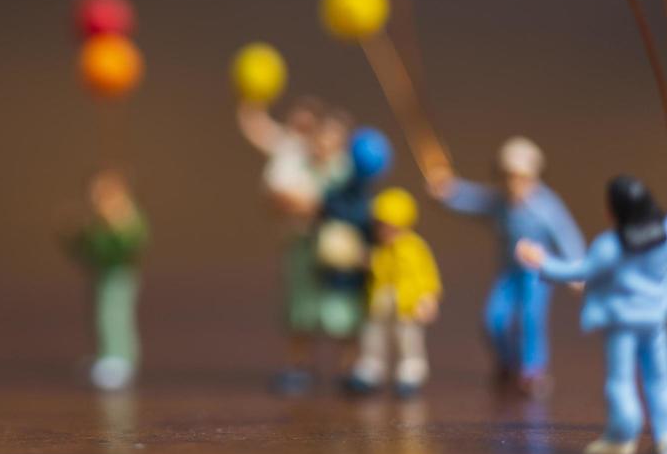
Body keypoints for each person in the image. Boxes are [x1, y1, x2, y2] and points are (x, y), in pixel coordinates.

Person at [516, 157, 667, 454]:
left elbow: (578, 271)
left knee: (620, 380)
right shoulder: (664, 239)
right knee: (660, 378)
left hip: (623, 325)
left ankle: (622, 435)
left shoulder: (609, 247)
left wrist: (541, 261)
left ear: (614, 211)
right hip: (655, 321)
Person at [429, 137, 584, 396]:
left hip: (537, 274)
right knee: (494, 320)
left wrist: (577, 271)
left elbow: (567, 235)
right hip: (508, 272)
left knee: (530, 319)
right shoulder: (499, 202)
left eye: (521, 177)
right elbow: (471, 199)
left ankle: (533, 371)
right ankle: (509, 362)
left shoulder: (546, 207)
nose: (514, 184)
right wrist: (447, 191)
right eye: (509, 177)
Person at [237, 99, 356, 394]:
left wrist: (317, 205)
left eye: (333, 138)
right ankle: (298, 366)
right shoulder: (297, 162)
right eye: (321, 136)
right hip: (302, 246)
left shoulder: (346, 171)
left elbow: (343, 206)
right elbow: (277, 197)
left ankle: (349, 366)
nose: (325, 143)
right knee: (300, 309)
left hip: (339, 252)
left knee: (343, 310)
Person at [347, 188, 441, 397]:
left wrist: (428, 298)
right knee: (373, 337)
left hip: (406, 305)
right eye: (380, 226)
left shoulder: (415, 248)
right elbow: (376, 267)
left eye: (389, 226)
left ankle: (410, 372)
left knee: (407, 339)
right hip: (379, 303)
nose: (384, 231)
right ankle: (371, 369)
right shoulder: (379, 249)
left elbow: (427, 276)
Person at [65, 170, 149, 390]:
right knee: (101, 315)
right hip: (102, 275)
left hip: (119, 275)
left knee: (114, 316)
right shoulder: (98, 222)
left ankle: (120, 358)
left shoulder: (126, 219)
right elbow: (87, 249)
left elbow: (125, 246)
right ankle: (107, 354)